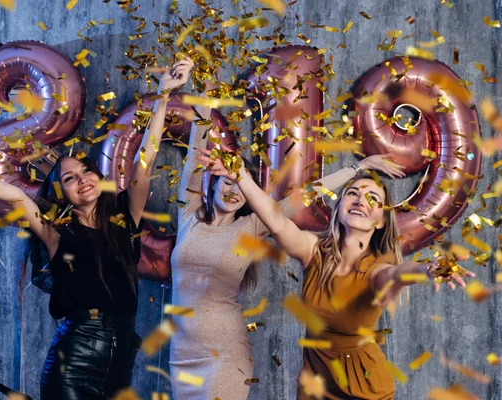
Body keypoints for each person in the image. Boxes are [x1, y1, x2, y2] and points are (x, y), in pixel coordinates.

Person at [0, 58, 193, 400]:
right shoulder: (56, 231)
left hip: (120, 364)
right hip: (73, 362)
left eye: (86, 171)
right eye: (69, 179)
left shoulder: (125, 217)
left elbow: (145, 158)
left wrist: (163, 93)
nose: (82, 180)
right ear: (62, 193)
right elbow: (11, 192)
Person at [170, 89, 409, 399]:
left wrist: (356, 170)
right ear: (213, 182)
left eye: (241, 188)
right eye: (227, 182)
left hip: (225, 354)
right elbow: (192, 161)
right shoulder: (188, 214)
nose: (233, 191)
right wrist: (203, 103)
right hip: (181, 355)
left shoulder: (252, 225)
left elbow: (304, 196)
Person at [197, 150, 475, 399]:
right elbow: (276, 221)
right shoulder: (313, 251)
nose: (360, 200)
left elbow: (398, 274)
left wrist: (428, 270)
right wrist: (241, 175)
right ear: (339, 207)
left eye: (372, 198)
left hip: (364, 390)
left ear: (380, 220)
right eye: (352, 193)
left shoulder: (377, 270)